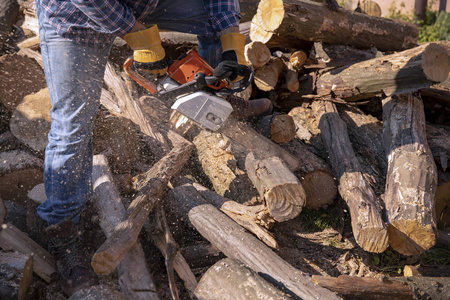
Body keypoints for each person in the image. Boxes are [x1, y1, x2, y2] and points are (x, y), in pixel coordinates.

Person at [35, 0, 271, 296]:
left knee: (215, 21)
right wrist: (138, 35)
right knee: (72, 125)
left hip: (145, 5)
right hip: (74, 18)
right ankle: (63, 231)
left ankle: (217, 92)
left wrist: (231, 41)